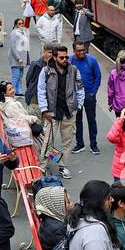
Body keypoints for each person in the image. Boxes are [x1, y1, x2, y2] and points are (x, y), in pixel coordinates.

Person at [38, 44, 84, 175]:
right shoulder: (46, 71)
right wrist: (44, 109)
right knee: (47, 141)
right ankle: (43, 166)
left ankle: (62, 166)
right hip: (51, 113)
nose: (65, 60)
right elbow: (41, 91)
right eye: (62, 57)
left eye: (66, 57)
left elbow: (80, 88)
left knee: (67, 142)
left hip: (69, 112)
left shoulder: (73, 70)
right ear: (54, 57)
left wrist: (79, 105)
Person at [70, 40, 102, 155]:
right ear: (74, 51)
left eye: (83, 49)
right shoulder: (70, 61)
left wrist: (93, 92)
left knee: (91, 120)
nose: (82, 52)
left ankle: (93, 144)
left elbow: (98, 76)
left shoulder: (91, 60)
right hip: (76, 96)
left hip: (89, 95)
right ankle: (80, 143)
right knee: (77, 120)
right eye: (79, 50)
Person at [35, 184, 70, 250]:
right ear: (57, 206)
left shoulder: (49, 220)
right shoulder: (58, 229)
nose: (71, 204)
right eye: (68, 202)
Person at [0, 82, 34, 150]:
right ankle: (52, 158)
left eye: (12, 88)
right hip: (23, 134)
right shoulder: (11, 105)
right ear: (4, 93)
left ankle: (52, 157)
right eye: (10, 89)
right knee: (43, 141)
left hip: (18, 133)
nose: (13, 90)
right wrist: (34, 119)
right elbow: (21, 119)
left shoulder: (4, 103)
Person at [24, 45, 53, 121]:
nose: (51, 55)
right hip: (35, 102)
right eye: (49, 52)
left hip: (48, 104)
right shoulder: (35, 65)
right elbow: (28, 80)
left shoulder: (55, 66)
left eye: (53, 53)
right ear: (44, 52)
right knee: (35, 127)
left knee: (46, 129)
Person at [8, 18, 29, 96]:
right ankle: (11, 92)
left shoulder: (22, 32)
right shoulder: (14, 33)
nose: (21, 25)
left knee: (20, 76)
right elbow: (13, 46)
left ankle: (18, 91)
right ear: (16, 24)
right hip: (16, 58)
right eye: (19, 23)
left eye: (22, 23)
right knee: (15, 76)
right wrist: (18, 58)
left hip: (22, 57)